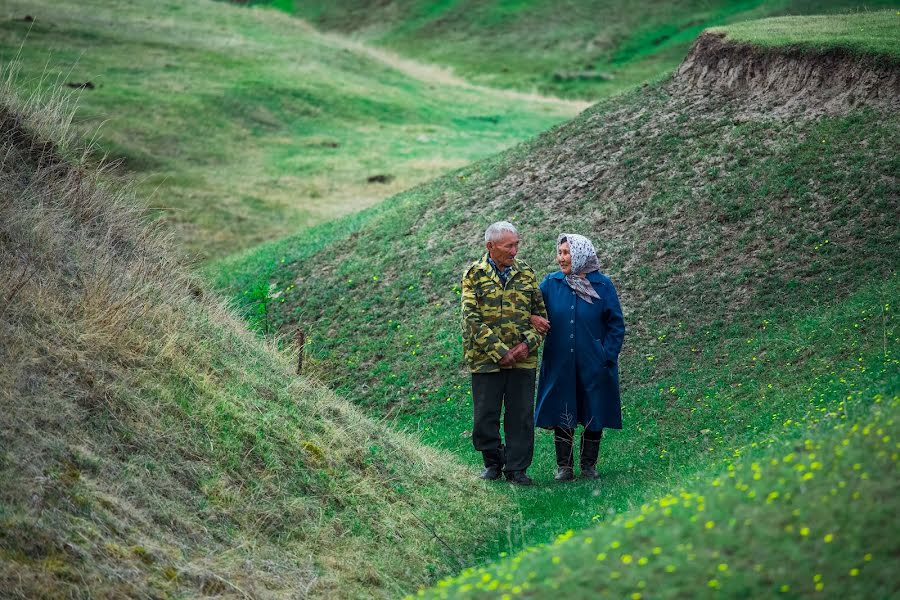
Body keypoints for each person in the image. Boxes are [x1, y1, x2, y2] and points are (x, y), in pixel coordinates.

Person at [461, 221, 547, 485]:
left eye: (516, 244)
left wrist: (525, 346)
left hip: (523, 359)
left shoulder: (527, 273)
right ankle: (493, 463)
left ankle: (517, 469)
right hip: (486, 360)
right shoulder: (474, 274)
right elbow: (471, 318)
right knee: (485, 416)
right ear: (490, 246)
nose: (514, 250)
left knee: (520, 415)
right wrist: (500, 352)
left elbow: (542, 318)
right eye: (509, 246)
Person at [533, 233, 625, 481]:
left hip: (595, 362)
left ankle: (588, 465)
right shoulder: (551, 284)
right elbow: (532, 308)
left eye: (567, 252)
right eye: (560, 252)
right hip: (560, 361)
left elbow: (616, 324)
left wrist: (606, 354)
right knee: (563, 408)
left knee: (594, 408)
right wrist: (532, 318)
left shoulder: (602, 285)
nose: (561, 258)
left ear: (581, 254)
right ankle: (564, 466)